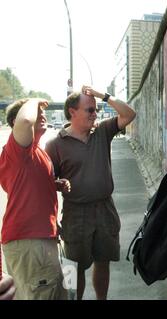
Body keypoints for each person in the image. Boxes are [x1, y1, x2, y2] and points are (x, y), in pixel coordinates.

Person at [45, 86, 136, 300]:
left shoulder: (102, 131)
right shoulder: (55, 144)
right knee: (73, 266)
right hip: (75, 213)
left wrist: (101, 95)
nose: (95, 114)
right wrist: (53, 218)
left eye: (96, 109)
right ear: (72, 112)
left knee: (102, 261)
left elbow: (129, 114)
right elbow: (47, 186)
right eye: (90, 110)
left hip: (105, 209)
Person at [0, 98, 70, 300]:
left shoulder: (37, 151)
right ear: (15, 123)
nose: (42, 115)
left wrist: (53, 185)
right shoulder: (17, 150)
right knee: (41, 294)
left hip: (41, 239)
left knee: (54, 292)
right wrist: (33, 100)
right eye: (36, 113)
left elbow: (24, 186)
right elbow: (25, 123)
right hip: (30, 242)